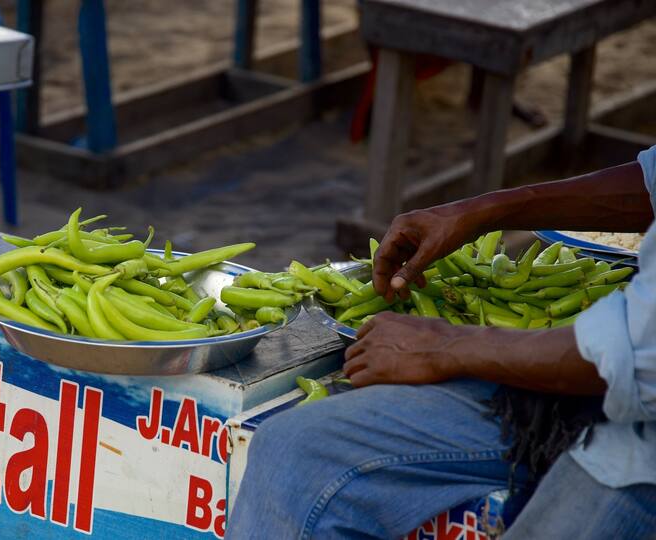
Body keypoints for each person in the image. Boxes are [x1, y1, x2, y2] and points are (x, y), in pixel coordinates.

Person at [227, 146, 656, 539]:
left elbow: (635, 357)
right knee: (292, 452)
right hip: (587, 384)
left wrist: (443, 346)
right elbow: (651, 182)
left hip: (639, 434)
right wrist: (487, 210)